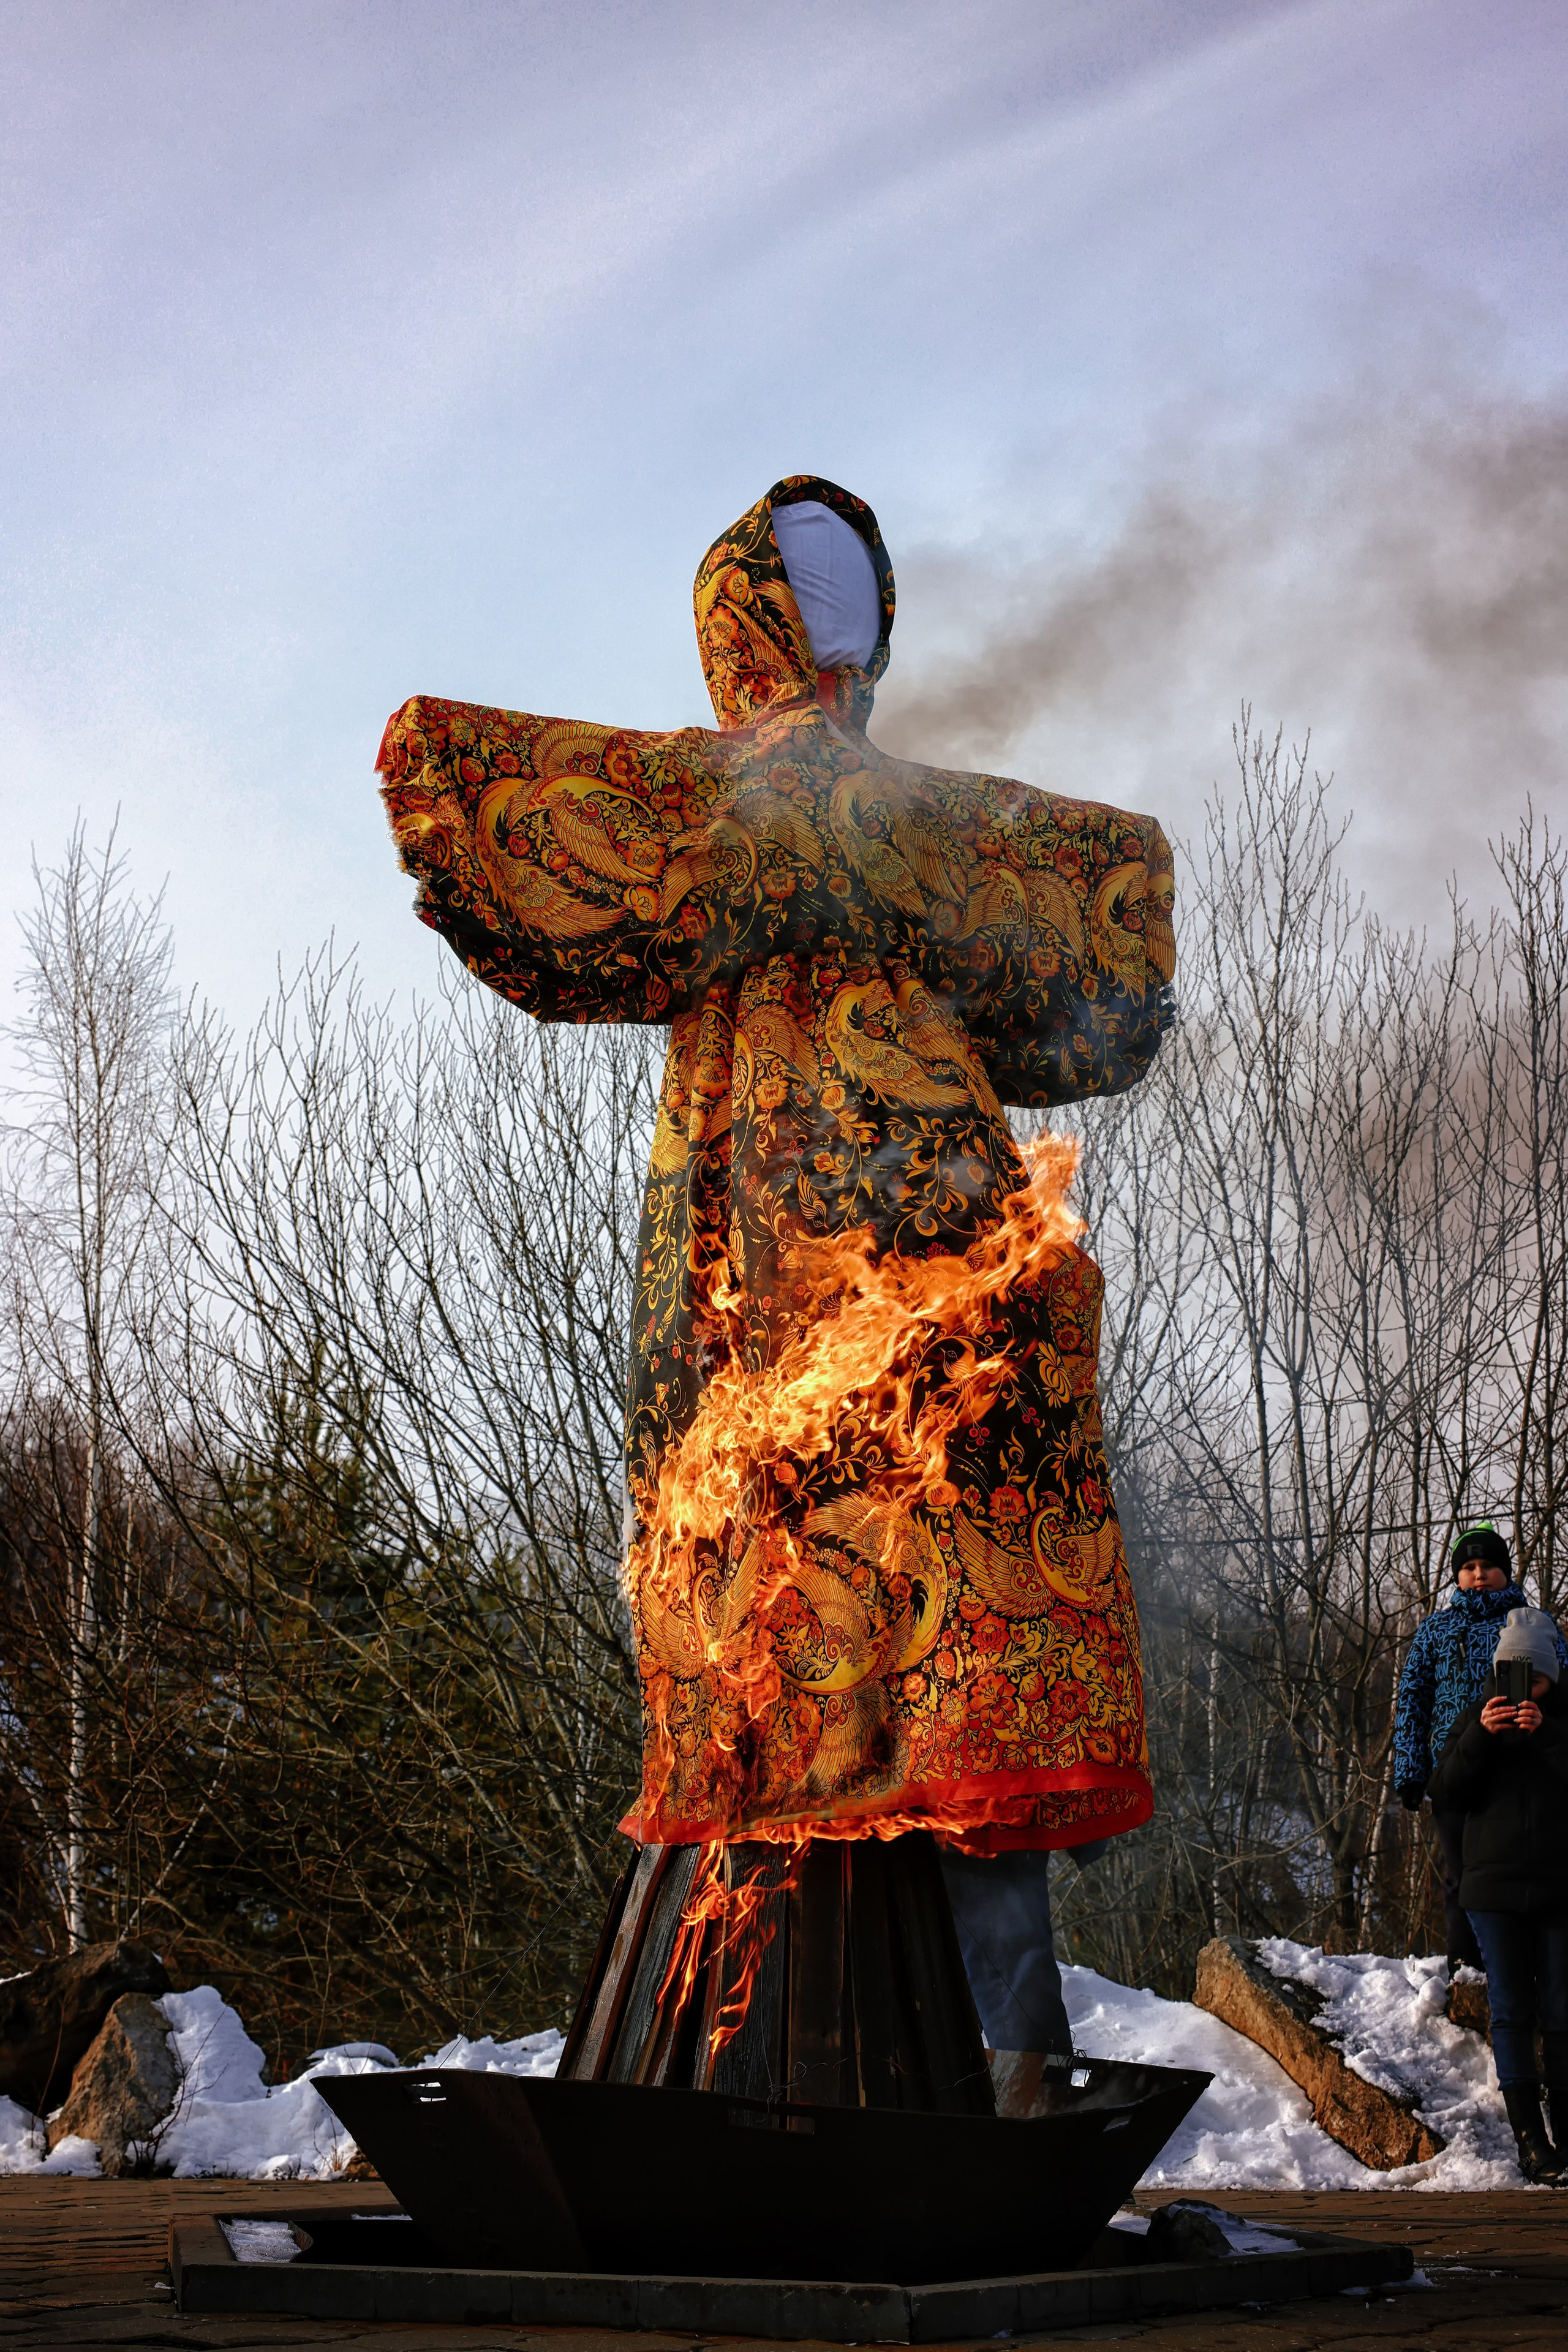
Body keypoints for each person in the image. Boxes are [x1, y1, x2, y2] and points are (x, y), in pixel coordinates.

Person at [375, 477, 1175, 1871]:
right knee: (796, 1533)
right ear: (752, 615)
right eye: (812, 589)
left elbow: (1087, 893)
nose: (847, 622)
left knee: (929, 1498)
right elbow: (1085, 875)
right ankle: (922, 1982)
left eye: (862, 587)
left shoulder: (829, 814)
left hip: (925, 1229)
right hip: (773, 1239)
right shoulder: (771, 804)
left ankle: (997, 2016)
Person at [1427, 1606, 1568, 2184]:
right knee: (1512, 2010)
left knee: (1562, 2008)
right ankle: (1531, 2143)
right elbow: (1444, 1792)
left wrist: (1549, 1737)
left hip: (1561, 1887)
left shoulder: (1564, 1720)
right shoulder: (1477, 1716)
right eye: (1511, 1672)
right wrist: (1481, 1739)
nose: (1522, 1686)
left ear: (1551, 1676)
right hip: (1492, 1887)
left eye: (1532, 1676)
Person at [1393, 1525, 1568, 1972]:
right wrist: (1411, 1771)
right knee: (1460, 1879)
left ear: (1505, 1572)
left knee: (1522, 1877)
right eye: (1469, 1567)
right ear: (1457, 1576)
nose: (1479, 1574)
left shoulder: (1534, 1625)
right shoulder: (1435, 1630)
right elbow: (1413, 1699)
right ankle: (1466, 1972)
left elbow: (1564, 1687)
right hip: (1455, 1769)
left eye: (1488, 1566)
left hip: (1524, 1772)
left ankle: (1521, 1970)